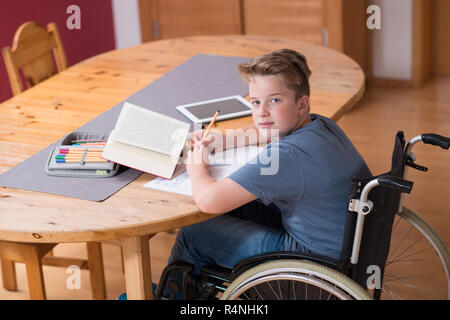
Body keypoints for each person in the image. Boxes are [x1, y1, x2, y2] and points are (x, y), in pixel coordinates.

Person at [163, 48, 371, 298]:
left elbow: (209, 200)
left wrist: (197, 168)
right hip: (346, 247)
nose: (262, 112)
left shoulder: (288, 156)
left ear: (301, 104)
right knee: (238, 206)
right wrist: (223, 139)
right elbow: (264, 130)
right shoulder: (321, 125)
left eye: (274, 100)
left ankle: (172, 296)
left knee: (193, 235)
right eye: (256, 102)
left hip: (314, 265)